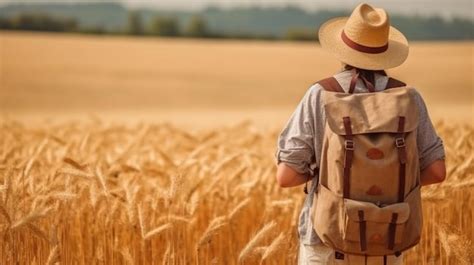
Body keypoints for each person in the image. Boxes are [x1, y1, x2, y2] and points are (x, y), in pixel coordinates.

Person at [275, 3, 446, 265]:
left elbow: (286, 176)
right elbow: (436, 171)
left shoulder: (321, 95)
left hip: (327, 242)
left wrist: (335, 179)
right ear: (386, 52)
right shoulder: (408, 98)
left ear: (342, 50)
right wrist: (384, 181)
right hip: (388, 241)